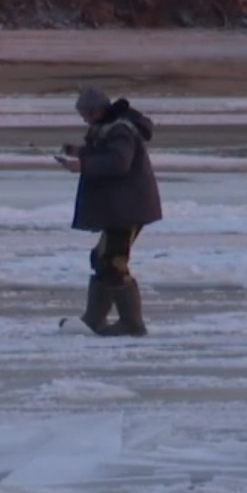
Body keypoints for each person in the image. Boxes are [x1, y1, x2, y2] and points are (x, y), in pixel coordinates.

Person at [58, 87, 162, 337]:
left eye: (84, 113)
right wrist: (78, 152)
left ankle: (132, 324)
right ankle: (94, 319)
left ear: (95, 110)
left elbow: (119, 162)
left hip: (127, 209)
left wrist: (83, 165)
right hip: (120, 208)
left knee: (113, 263)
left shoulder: (120, 130)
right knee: (102, 259)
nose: (83, 119)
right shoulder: (108, 128)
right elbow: (105, 154)